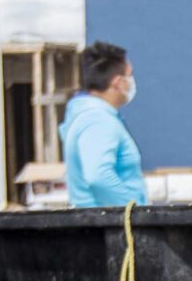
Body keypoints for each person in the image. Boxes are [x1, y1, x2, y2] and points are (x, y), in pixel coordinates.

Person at [61, 40, 145, 209]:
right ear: (118, 82)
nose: (132, 81)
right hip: (115, 227)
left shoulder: (85, 116)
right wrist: (137, 213)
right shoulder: (97, 120)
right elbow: (98, 176)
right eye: (130, 75)